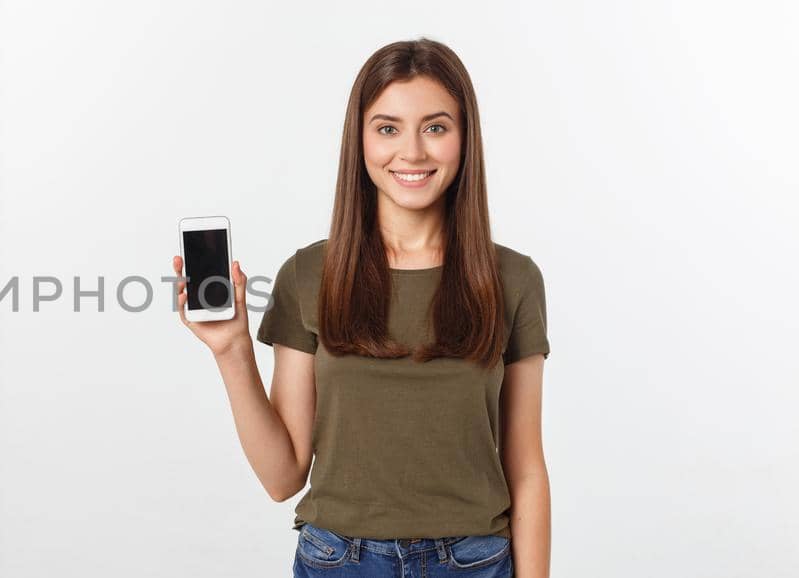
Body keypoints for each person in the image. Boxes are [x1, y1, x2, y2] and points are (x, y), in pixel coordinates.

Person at [173, 38, 551, 578]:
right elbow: (283, 478)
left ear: (465, 139)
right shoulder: (308, 275)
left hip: (472, 562)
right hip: (338, 562)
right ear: (361, 140)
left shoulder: (512, 278)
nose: (413, 152)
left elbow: (527, 469)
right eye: (388, 128)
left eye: (436, 127)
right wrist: (232, 349)